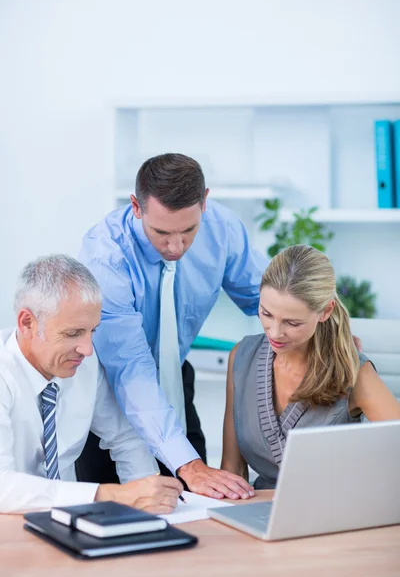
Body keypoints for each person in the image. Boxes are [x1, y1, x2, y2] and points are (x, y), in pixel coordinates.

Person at [78, 153, 265, 499]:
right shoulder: (106, 257)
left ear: (204, 201)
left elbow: (266, 296)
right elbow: (130, 369)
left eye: (189, 230)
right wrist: (188, 465)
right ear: (136, 206)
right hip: (108, 396)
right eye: (161, 232)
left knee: (197, 506)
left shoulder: (222, 228)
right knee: (118, 522)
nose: (176, 247)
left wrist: (326, 326)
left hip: (176, 380)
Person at [0, 255, 183, 514]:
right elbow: (3, 487)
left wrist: (148, 505)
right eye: (73, 333)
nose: (87, 349)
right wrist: (109, 494)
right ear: (27, 323)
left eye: (92, 331)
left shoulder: (83, 362)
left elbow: (125, 438)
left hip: (69, 524)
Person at [221, 244, 400, 489]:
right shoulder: (241, 358)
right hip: (257, 513)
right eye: (266, 313)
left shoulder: (354, 374)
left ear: (325, 311)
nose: (274, 332)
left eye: (292, 323)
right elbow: (232, 471)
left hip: (336, 515)